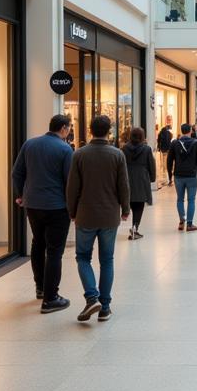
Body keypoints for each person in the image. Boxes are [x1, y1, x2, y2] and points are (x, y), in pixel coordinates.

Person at [66, 115, 130, 322]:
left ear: (90, 130)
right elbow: (123, 186)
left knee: (83, 257)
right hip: (109, 215)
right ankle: (105, 306)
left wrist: (72, 211)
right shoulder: (117, 154)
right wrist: (126, 208)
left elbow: (72, 187)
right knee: (107, 260)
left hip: (85, 214)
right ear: (109, 131)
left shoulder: (80, 154)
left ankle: (91, 297)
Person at [12, 114, 74, 313]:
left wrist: (21, 194)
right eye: (69, 128)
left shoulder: (30, 144)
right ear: (64, 128)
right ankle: (50, 298)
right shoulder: (65, 149)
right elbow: (69, 182)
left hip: (33, 205)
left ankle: (40, 287)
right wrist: (72, 206)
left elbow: (17, 172)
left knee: (38, 244)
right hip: (56, 206)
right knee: (55, 251)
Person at [166, 123, 197, 231]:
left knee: (180, 199)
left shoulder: (175, 143)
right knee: (191, 200)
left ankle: (181, 221)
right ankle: (189, 224)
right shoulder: (195, 143)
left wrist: (170, 175)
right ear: (190, 131)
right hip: (191, 175)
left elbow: (169, 161)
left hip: (178, 175)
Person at [122, 127, 155, 240]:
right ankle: (135, 227)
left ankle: (134, 226)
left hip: (128, 177)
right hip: (142, 178)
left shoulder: (124, 148)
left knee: (131, 202)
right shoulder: (146, 149)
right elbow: (151, 164)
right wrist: (152, 178)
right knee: (139, 205)